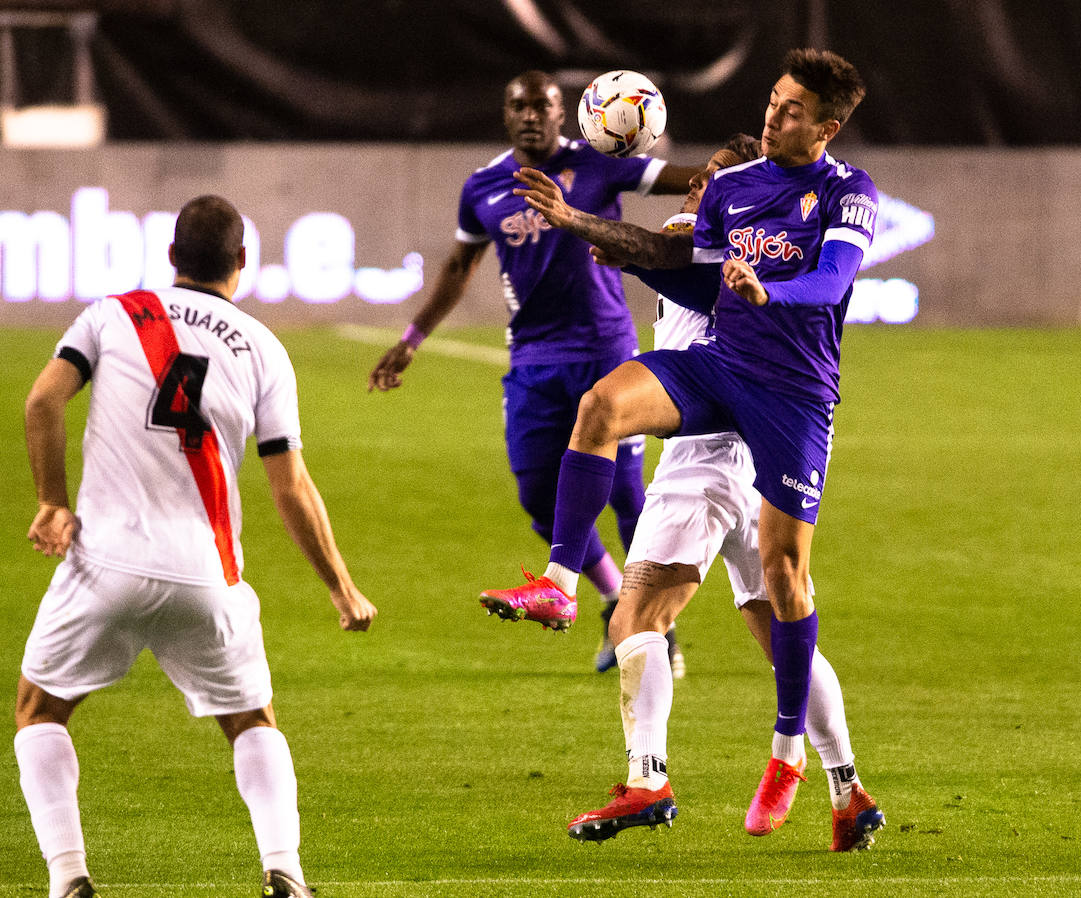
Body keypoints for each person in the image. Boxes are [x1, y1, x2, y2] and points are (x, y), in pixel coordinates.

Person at [480, 48, 876, 837]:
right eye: (772, 100)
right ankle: (564, 580)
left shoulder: (846, 191)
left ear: (826, 128)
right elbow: (685, 266)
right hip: (719, 373)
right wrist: (595, 230)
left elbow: (832, 282)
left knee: (769, 589)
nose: (773, 116)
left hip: (786, 400)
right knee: (602, 405)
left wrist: (772, 290)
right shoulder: (730, 192)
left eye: (792, 111)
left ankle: (789, 750)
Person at [16, 195, 377, 898]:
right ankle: (286, 873)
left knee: (40, 708)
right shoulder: (264, 349)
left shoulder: (112, 314)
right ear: (243, 261)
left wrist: (52, 502)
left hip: (105, 566)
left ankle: (69, 879)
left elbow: (42, 402)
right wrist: (340, 585)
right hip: (207, 575)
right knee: (249, 720)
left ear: (172, 256)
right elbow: (290, 485)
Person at [367, 70, 696, 674]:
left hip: (606, 351)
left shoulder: (601, 164)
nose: (530, 115)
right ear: (505, 114)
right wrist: (412, 338)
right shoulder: (484, 185)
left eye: (542, 105)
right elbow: (460, 263)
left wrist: (734, 166)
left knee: (626, 496)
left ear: (564, 112)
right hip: (533, 361)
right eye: (519, 105)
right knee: (539, 498)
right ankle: (607, 598)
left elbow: (690, 179)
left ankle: (656, 627)